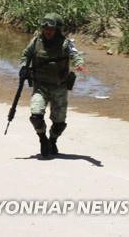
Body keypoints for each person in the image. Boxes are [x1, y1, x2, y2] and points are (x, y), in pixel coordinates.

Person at [20, 13, 87, 157]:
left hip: (59, 87)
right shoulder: (36, 42)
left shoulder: (65, 43)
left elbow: (75, 54)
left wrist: (79, 63)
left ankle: (53, 140)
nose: (48, 32)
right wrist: (23, 67)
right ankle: (43, 139)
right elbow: (25, 55)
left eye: (51, 29)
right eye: (46, 29)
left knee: (59, 123)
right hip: (40, 87)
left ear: (57, 30)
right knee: (36, 116)